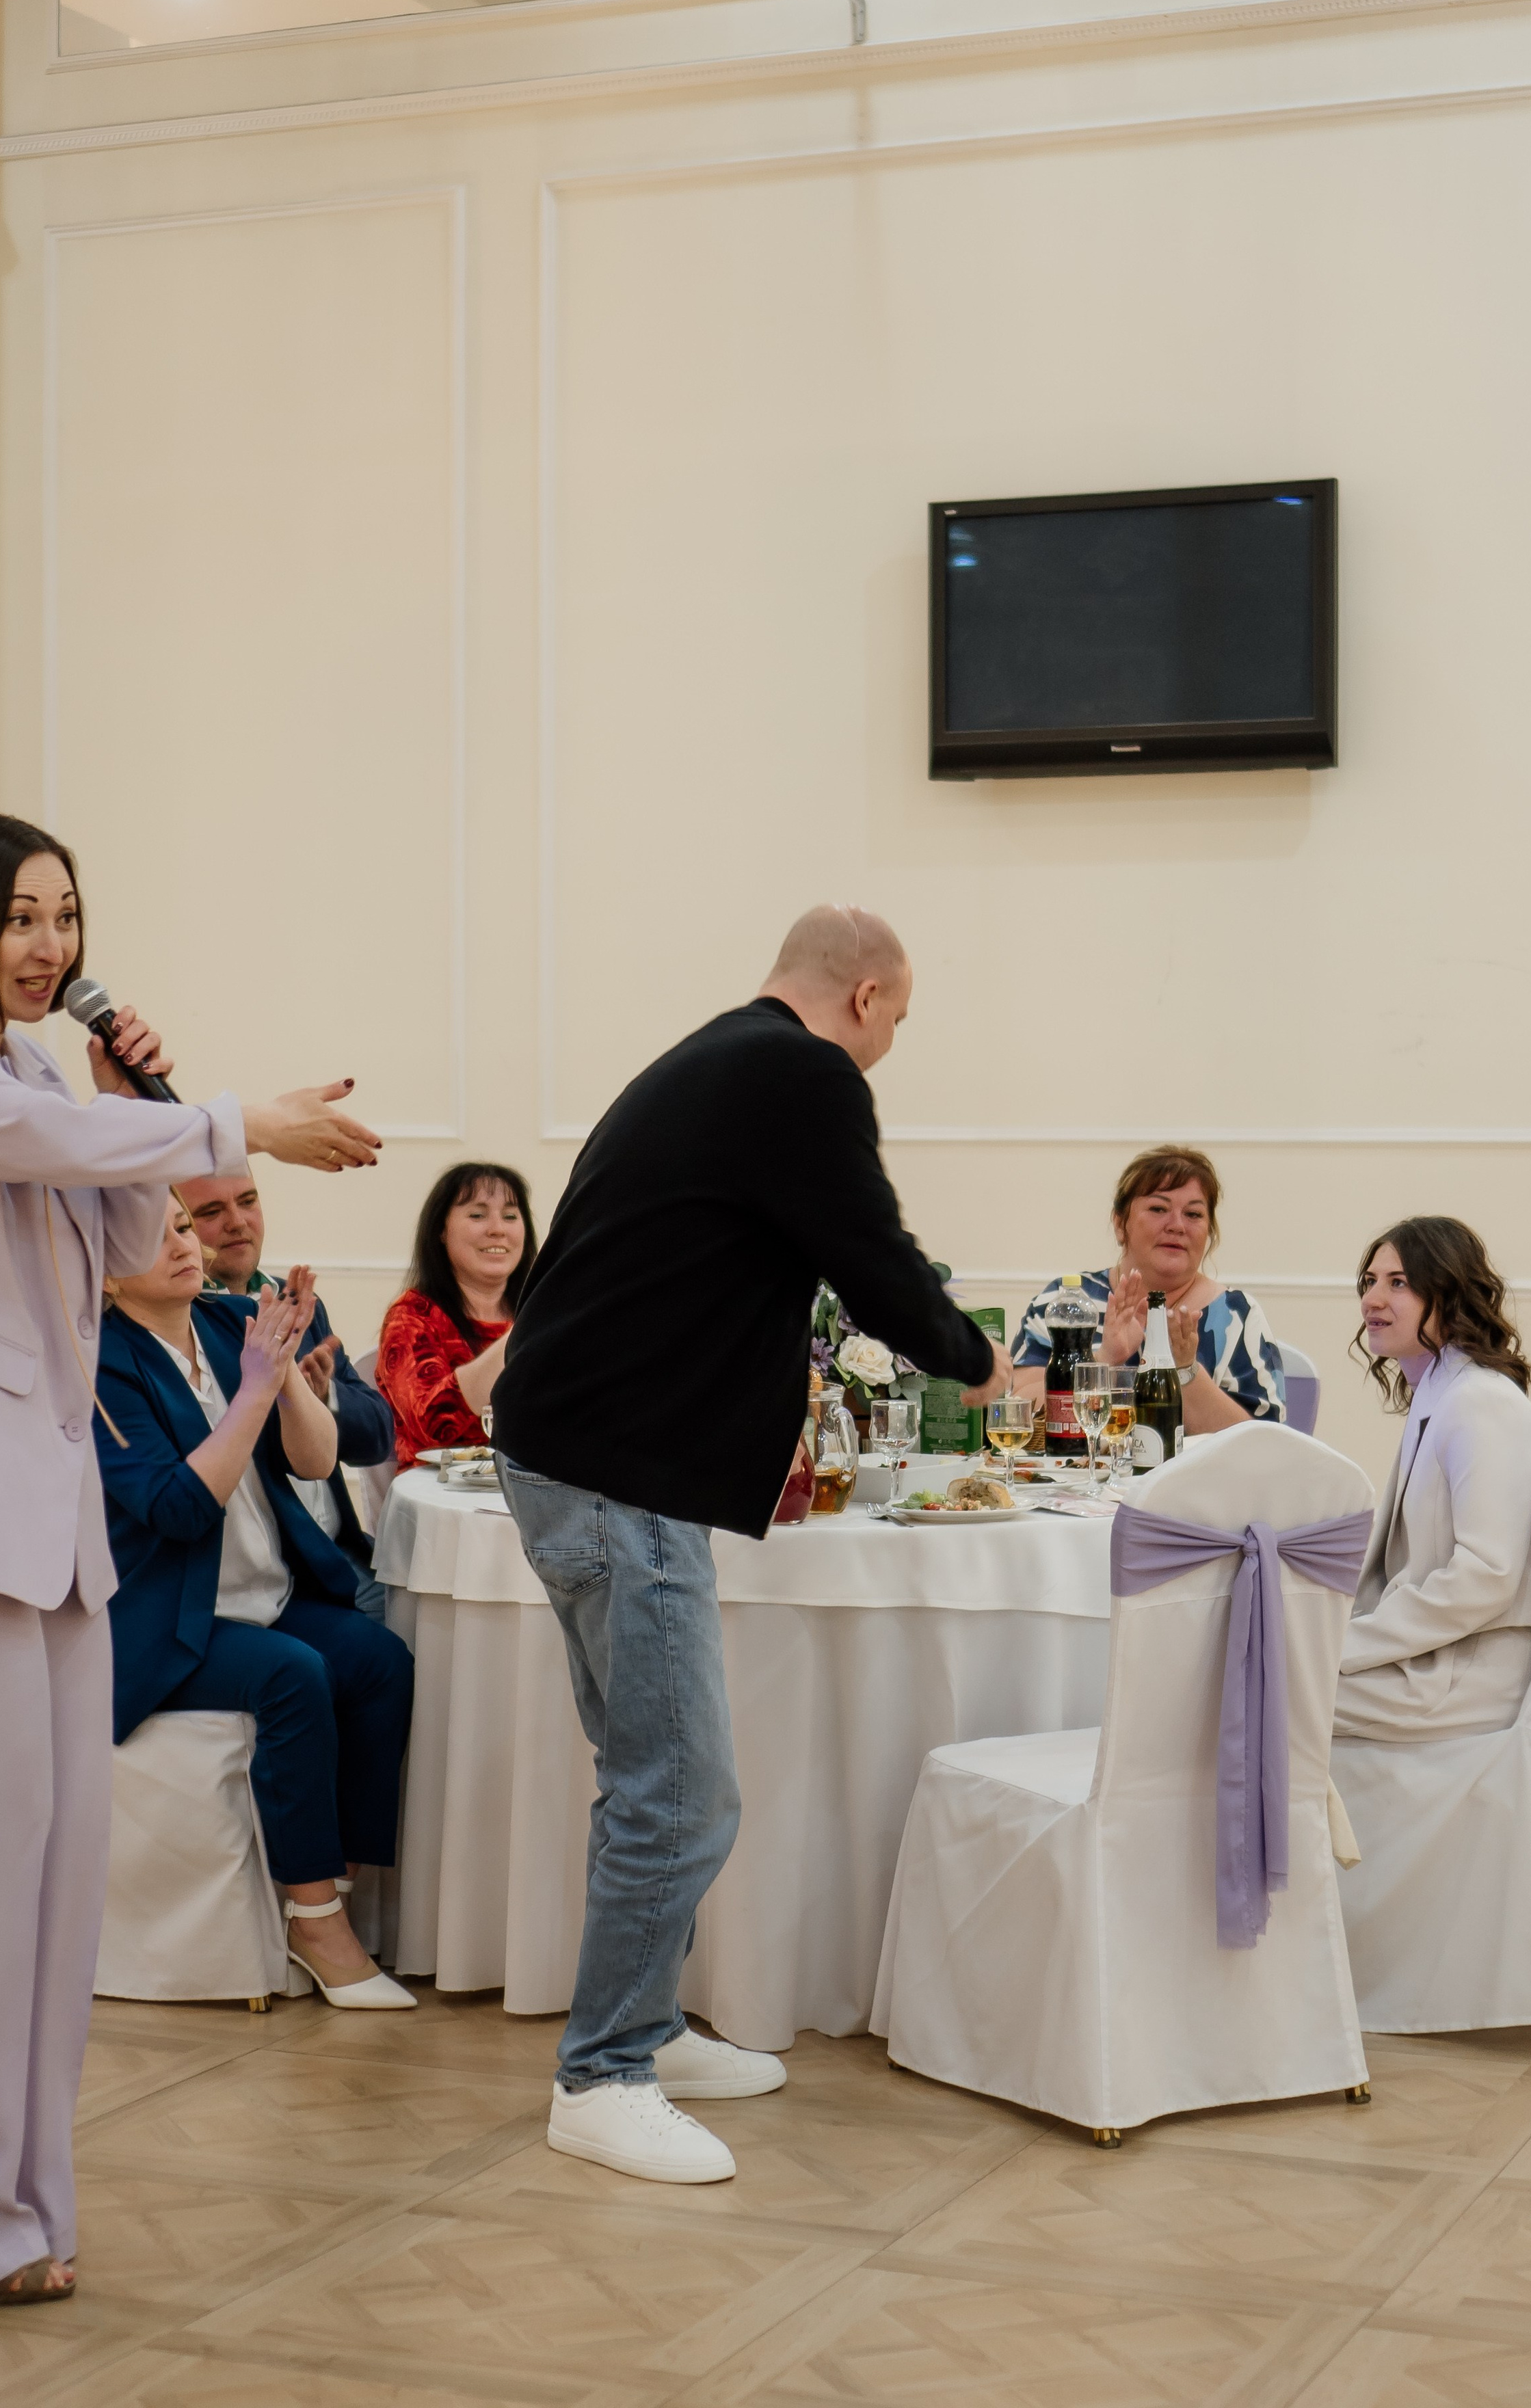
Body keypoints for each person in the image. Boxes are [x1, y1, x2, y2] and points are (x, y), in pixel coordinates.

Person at [492, 904, 1012, 2186]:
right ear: (872, 997)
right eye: (900, 1021)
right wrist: (976, 1359)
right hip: (617, 1470)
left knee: (647, 1774)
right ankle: (603, 2073)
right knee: (683, 1792)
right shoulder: (801, 1071)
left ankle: (649, 2032)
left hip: (576, 1451)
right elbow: (872, 1255)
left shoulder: (715, 1057)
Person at [0, 810, 380, 2309]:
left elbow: (140, 1225)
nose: (50, 947)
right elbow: (50, 1153)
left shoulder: (40, 1076)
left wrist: (131, 1084)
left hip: (52, 1530)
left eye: (66, 916)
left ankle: (22, 2210)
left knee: (53, 1884)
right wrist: (231, 1119)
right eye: (20, 917)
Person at [96, 1197, 416, 2007]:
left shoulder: (232, 1318)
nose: (186, 1241)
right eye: (159, 1232)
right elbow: (175, 1508)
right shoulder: (99, 1361)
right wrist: (252, 1393)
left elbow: (317, 1463)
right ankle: (316, 1921)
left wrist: (288, 1388)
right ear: (103, 1266)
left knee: (379, 1661)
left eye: (180, 1224)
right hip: (165, 1619)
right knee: (293, 1676)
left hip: (265, 1592)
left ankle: (331, 1887)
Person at [1333, 1216, 1531, 1741]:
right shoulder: (1441, 1393)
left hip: (1480, 1669)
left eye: (1398, 1283)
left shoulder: (1479, 1402)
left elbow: (1486, 1574)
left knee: (1269, 1694)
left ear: (1450, 1294)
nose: (1373, 1298)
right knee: (1267, 1678)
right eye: (1370, 1281)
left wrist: (1349, 1645)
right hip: (1448, 1650)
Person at [180, 1171, 396, 1617]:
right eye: (211, 1211)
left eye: (248, 1201)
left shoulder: (292, 1302)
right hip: (265, 1578)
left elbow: (377, 1436)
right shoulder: (180, 1327)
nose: (238, 1222)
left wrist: (324, 1398)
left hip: (341, 1553)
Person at [1012, 1145, 1286, 1430]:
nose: (1177, 1226)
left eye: (1193, 1215)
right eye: (1159, 1209)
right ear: (1120, 1224)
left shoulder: (1236, 1314)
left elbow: (1264, 1443)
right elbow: (1019, 1410)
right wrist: (1103, 1362)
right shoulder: (1067, 1303)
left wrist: (1186, 1371)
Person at [375, 1163, 535, 1468]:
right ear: (442, 1231)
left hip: (533, 1494)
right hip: (442, 1496)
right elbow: (436, 1427)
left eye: (511, 1216)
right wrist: (527, 1331)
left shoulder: (532, 1310)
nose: (497, 1229)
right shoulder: (412, 1317)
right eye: (477, 1215)